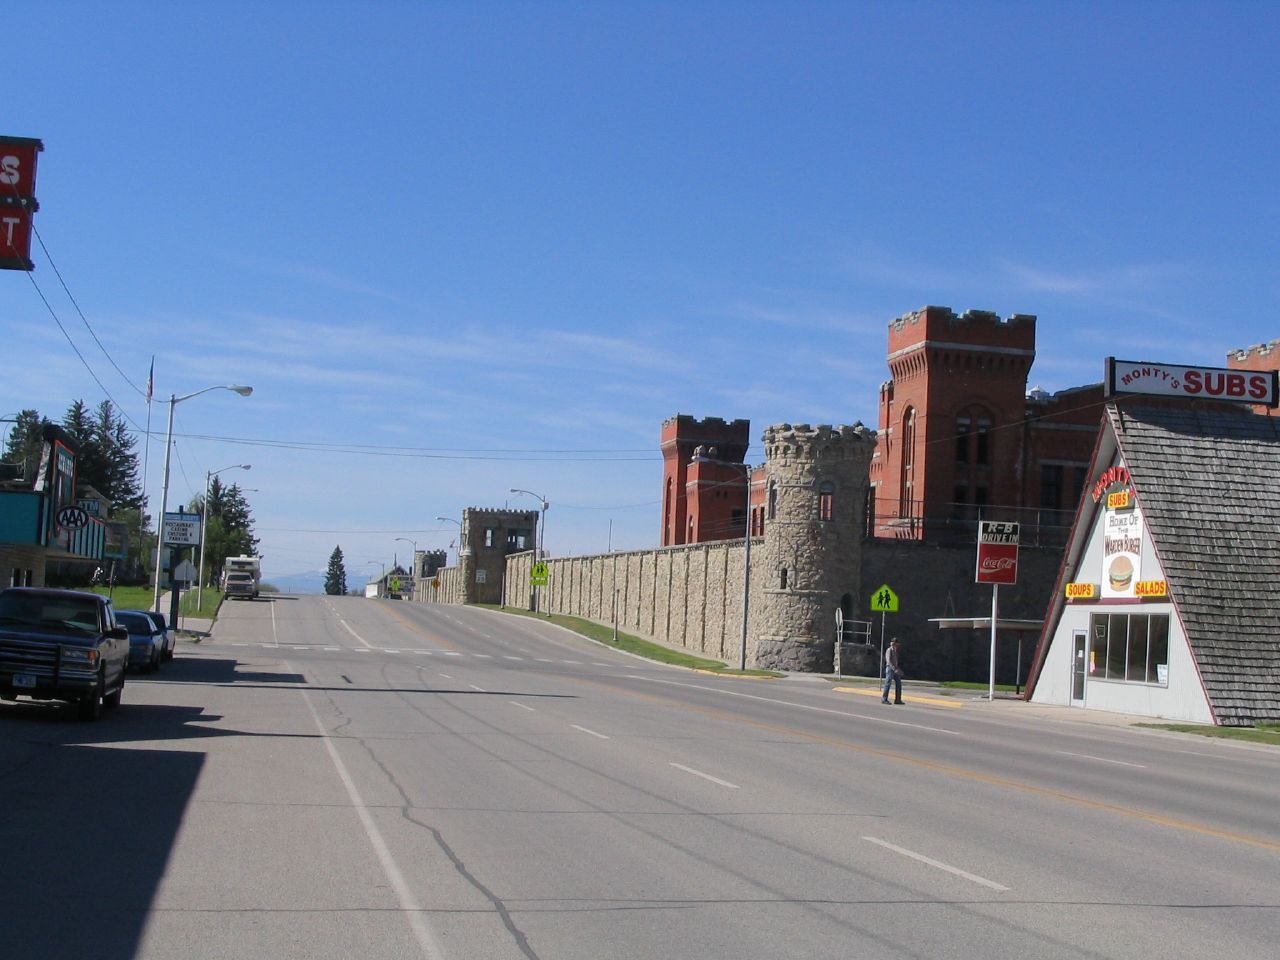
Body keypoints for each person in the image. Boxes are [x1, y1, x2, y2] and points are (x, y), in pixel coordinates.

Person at [881, 638, 904, 704]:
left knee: (899, 684)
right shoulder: (889, 650)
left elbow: (895, 661)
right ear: (893, 643)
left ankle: (897, 699)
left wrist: (898, 669)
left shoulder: (895, 651)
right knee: (888, 684)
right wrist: (894, 669)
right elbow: (888, 661)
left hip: (895, 669)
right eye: (896, 644)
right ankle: (884, 699)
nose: (897, 645)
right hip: (890, 669)